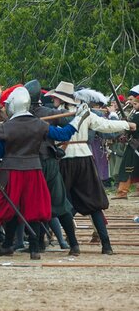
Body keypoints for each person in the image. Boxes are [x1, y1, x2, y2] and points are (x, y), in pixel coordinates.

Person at [0, 86, 81, 259]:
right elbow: (63, 135)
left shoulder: (6, 127)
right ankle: (34, 250)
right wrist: (78, 120)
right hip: (33, 172)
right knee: (33, 209)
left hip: (10, 173)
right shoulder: (39, 124)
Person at [47, 81, 135, 254]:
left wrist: (125, 124)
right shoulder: (83, 112)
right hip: (84, 159)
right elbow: (105, 125)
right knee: (92, 204)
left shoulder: (53, 114)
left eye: (55, 97)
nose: (53, 99)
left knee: (61, 202)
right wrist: (126, 125)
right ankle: (106, 246)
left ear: (60, 98)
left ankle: (74, 246)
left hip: (66, 160)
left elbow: (105, 125)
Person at [25, 79, 81, 254]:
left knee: (44, 204)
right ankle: (70, 244)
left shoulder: (44, 113)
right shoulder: (47, 113)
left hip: (36, 163)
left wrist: (64, 112)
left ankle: (41, 245)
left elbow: (66, 122)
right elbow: (68, 122)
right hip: (45, 162)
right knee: (57, 204)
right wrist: (64, 113)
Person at [113, 85, 139, 199]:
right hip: (133, 144)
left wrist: (127, 124)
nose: (131, 103)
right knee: (129, 167)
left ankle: (122, 191)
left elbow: (134, 127)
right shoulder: (135, 114)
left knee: (127, 167)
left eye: (134, 102)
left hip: (135, 145)